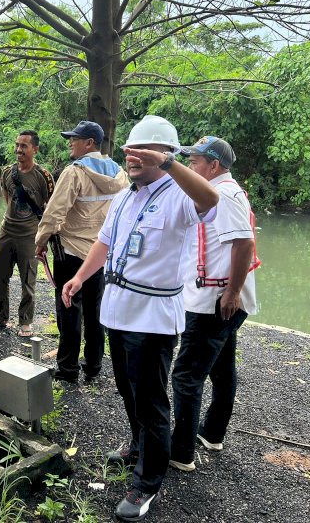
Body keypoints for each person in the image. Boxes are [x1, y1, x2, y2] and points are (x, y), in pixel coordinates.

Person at [61, 115, 219, 522]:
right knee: (127, 390)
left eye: (143, 152)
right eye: (130, 151)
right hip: (118, 311)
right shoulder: (124, 197)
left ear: (165, 155)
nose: (132, 158)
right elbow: (104, 242)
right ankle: (138, 445)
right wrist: (80, 277)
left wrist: (168, 164)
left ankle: (147, 483)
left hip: (152, 320)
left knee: (150, 401)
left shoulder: (179, 195)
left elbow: (210, 198)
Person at [169, 137, 259, 472]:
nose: (189, 166)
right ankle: (212, 433)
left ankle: (180, 452)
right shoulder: (218, 192)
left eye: (194, 162)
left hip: (214, 303)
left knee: (186, 375)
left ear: (214, 165)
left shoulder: (224, 195)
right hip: (219, 300)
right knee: (221, 368)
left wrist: (232, 292)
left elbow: (244, 243)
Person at [35, 121, 128, 382]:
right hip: (101, 255)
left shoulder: (74, 172)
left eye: (75, 138)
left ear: (89, 143)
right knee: (95, 310)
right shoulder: (120, 174)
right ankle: (94, 364)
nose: (70, 142)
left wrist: (40, 241)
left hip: (71, 251)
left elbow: (54, 212)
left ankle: (68, 368)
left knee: (68, 309)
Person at [0, 130, 54, 337]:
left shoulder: (43, 176)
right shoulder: (7, 172)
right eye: (17, 145)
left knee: (28, 280)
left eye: (24, 146)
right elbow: (7, 197)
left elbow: (51, 207)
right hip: (7, 232)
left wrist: (44, 237)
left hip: (29, 235)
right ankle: (0, 317)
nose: (18, 149)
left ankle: (25, 321)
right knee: (0, 276)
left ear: (35, 149)